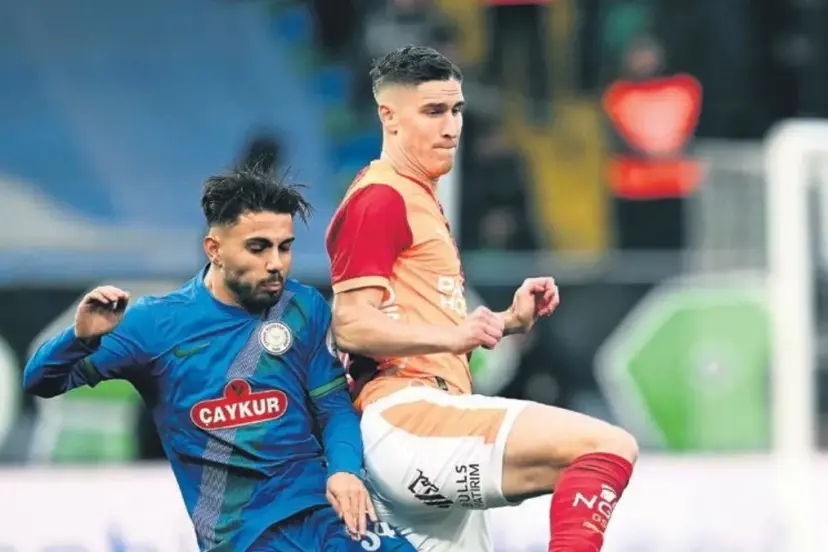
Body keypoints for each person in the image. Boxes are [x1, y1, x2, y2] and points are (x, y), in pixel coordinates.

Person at [325, 45, 638, 552]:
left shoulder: (415, 197)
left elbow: (409, 319)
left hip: (429, 420)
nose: (451, 127)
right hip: (407, 416)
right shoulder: (381, 196)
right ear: (389, 117)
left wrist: (505, 322)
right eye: (433, 111)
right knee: (606, 446)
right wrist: (453, 335)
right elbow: (351, 326)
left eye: (456, 110)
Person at [23, 168, 415, 552]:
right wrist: (79, 338)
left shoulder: (302, 308)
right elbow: (41, 381)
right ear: (214, 249)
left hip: (325, 518)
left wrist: (345, 469)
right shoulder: (156, 325)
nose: (276, 263)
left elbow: (332, 406)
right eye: (258, 248)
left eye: (285, 247)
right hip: (245, 537)